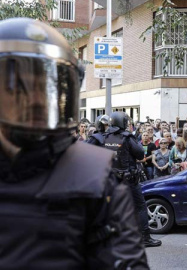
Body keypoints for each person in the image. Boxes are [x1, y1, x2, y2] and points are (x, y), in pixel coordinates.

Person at [0, 18, 148, 268]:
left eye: (48, 85)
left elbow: (126, 261)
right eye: (20, 85)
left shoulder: (95, 177)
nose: (37, 98)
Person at [104, 111, 162, 248]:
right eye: (126, 122)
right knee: (141, 206)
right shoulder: (127, 137)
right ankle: (145, 237)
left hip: (113, 179)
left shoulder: (106, 137)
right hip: (129, 179)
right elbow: (140, 154)